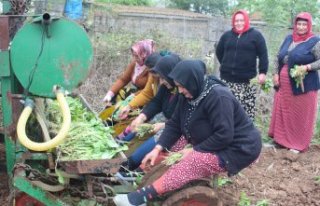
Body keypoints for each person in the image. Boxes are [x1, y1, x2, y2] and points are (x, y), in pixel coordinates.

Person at [113, 60, 262, 206]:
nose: (180, 90)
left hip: (237, 147)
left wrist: (193, 150)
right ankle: (138, 174)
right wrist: (158, 148)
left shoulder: (219, 97)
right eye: (178, 86)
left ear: (193, 81)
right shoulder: (187, 94)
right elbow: (174, 125)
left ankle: (140, 199)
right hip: (213, 138)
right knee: (175, 145)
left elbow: (224, 134)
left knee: (194, 160)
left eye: (182, 87)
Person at [117, 54, 181, 171]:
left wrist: (164, 125)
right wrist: (141, 117)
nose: (161, 82)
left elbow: (182, 119)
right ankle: (122, 143)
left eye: (163, 78)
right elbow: (156, 102)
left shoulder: (183, 91)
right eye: (160, 78)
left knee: (158, 137)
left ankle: (131, 166)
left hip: (176, 127)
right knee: (139, 128)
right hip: (166, 119)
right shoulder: (166, 87)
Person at [268, 12, 320, 153]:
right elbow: (277, 57)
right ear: (295, 25)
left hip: (304, 85)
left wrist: (308, 67)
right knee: (284, 112)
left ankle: (297, 144)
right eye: (299, 24)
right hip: (284, 84)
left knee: (300, 114)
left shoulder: (315, 41)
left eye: (304, 24)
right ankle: (281, 140)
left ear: (309, 26)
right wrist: (275, 74)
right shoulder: (288, 38)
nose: (301, 27)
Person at [216, 10, 269, 120]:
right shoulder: (227, 36)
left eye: (241, 20)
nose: (239, 23)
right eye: (236, 21)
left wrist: (263, 72)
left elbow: (263, 55)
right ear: (233, 22)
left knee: (246, 112)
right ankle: (227, 133)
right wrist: (226, 64)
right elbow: (219, 52)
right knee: (227, 110)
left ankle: (245, 135)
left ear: (246, 21)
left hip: (246, 82)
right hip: (227, 81)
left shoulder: (256, 36)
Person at [102, 39, 156, 107]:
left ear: (145, 56)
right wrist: (110, 94)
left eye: (137, 56)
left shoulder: (152, 68)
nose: (134, 58)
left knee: (126, 109)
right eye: (134, 55)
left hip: (145, 97)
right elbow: (123, 80)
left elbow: (148, 91)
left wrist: (132, 97)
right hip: (137, 92)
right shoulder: (135, 63)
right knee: (119, 94)